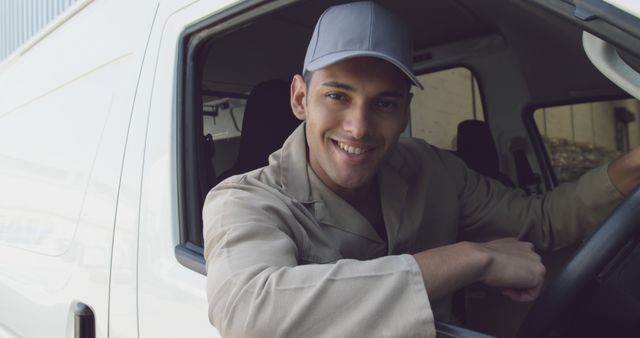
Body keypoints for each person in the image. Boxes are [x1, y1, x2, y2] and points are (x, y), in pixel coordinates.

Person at [202, 1, 640, 336]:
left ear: (406, 109)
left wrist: (634, 163)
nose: (358, 128)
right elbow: (249, 313)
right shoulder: (245, 199)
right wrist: (469, 258)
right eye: (337, 96)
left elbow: (540, 220)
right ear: (300, 99)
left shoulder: (433, 169)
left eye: (384, 103)